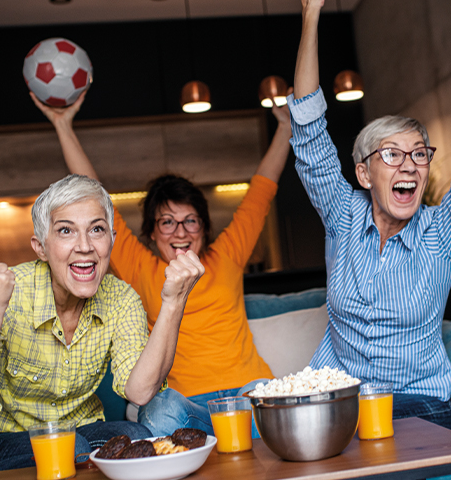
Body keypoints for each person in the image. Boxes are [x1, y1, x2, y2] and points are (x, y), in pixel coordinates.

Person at [289, 0, 451, 428]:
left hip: (418, 404)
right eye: (390, 154)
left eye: (418, 154)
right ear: (364, 173)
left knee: (363, 438)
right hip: (339, 399)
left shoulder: (440, 232)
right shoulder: (342, 213)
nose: (408, 164)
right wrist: (310, 13)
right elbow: (308, 128)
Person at [30, 88, 293, 437]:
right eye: (167, 222)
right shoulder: (139, 266)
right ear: (152, 233)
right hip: (188, 406)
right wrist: (63, 125)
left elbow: (262, 190)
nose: (180, 231)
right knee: (159, 410)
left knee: (275, 395)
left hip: (248, 394)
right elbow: (94, 194)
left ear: (204, 228)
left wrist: (286, 128)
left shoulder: (227, 254)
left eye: (191, 220)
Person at [0, 174, 204, 480]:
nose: (85, 246)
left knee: (135, 434)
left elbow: (140, 392)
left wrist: (173, 303)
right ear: (41, 248)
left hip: (76, 433)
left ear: (111, 239)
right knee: (67, 445)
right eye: (66, 231)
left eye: (97, 229)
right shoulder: (5, 292)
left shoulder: (121, 299)